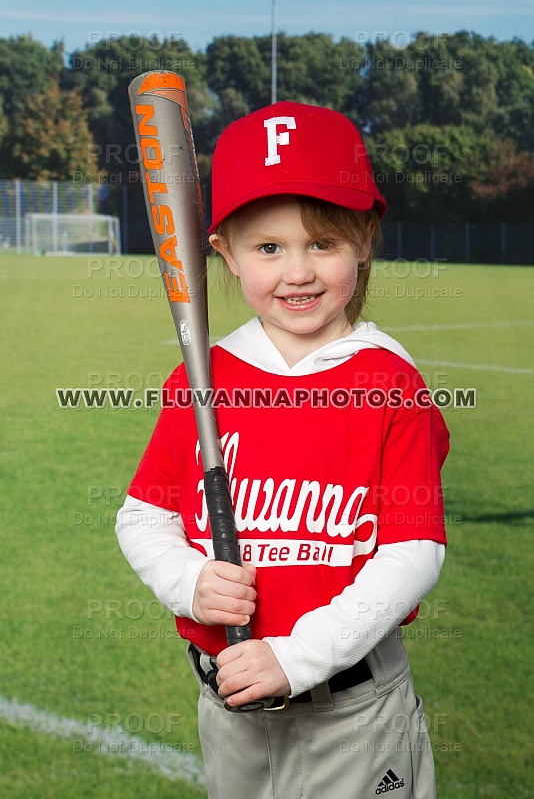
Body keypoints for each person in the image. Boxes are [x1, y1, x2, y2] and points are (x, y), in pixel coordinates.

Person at [116, 101, 449, 799]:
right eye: (268, 248)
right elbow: (144, 519)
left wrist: (297, 657)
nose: (297, 271)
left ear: (364, 240)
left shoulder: (389, 381)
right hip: (230, 711)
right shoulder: (202, 378)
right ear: (225, 252)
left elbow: (413, 552)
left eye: (322, 243)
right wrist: (190, 583)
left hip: (353, 713)